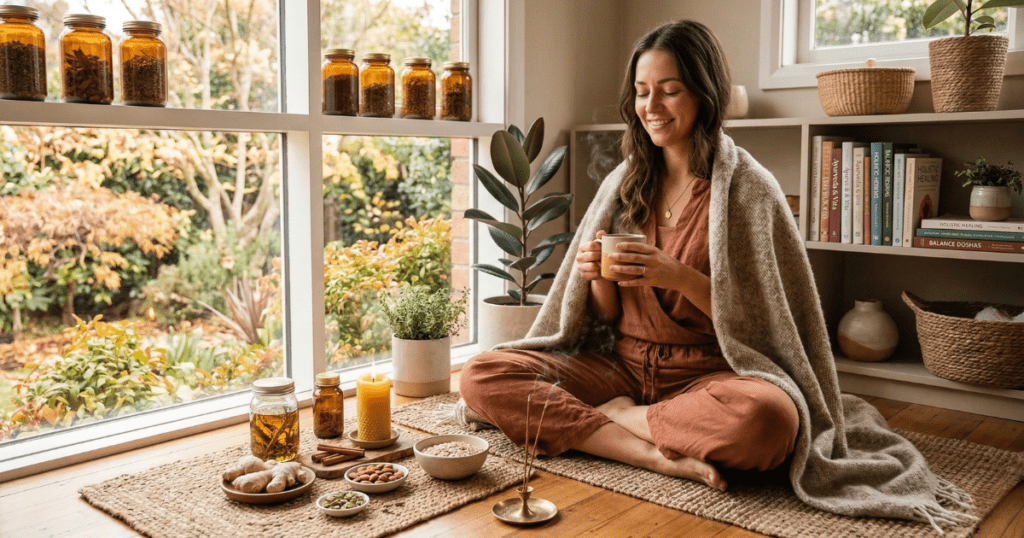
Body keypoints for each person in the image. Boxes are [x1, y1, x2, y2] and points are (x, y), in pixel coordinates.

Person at [459, 20, 975, 530]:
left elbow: (766, 323)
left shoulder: (749, 188)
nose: (651, 108)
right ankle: (648, 454)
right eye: (642, 93)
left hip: (712, 374)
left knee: (769, 422)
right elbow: (602, 319)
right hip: (621, 365)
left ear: (704, 94)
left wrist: (677, 277)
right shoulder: (623, 183)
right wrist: (596, 275)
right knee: (482, 376)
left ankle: (621, 419)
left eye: (669, 91)